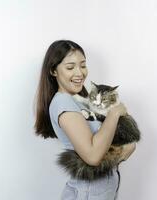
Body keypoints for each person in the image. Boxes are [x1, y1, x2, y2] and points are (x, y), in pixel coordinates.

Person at [34, 39, 136, 199]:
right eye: (70, 67)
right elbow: (93, 156)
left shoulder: (79, 100)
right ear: (53, 71)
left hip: (101, 188)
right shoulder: (63, 102)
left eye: (83, 65)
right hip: (89, 191)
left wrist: (123, 148)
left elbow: (107, 142)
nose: (79, 73)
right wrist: (114, 114)